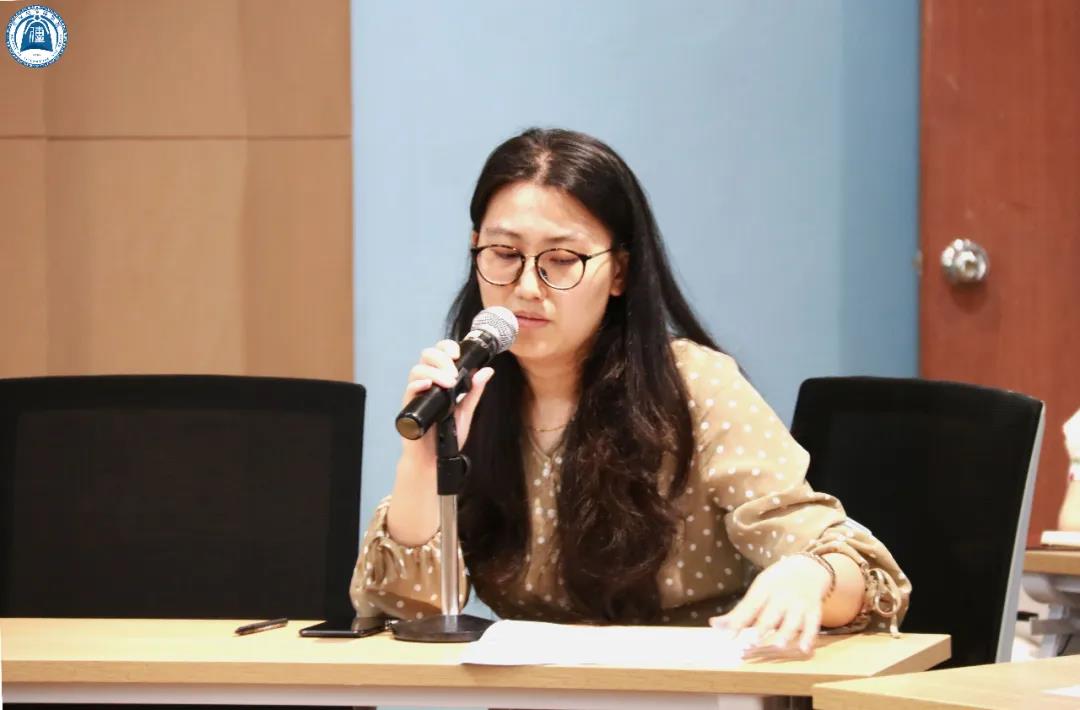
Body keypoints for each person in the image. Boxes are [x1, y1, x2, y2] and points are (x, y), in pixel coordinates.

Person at [350, 128, 909, 654]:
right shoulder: (472, 390)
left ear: (619, 271)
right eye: (504, 254)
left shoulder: (693, 386)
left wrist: (810, 574)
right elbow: (409, 610)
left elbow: (859, 575)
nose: (526, 287)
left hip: (693, 695)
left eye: (561, 260)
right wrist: (423, 462)